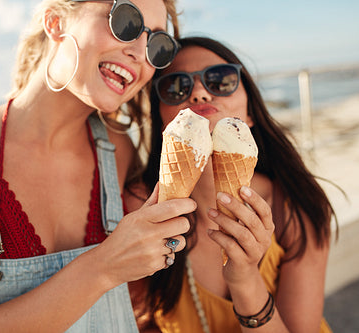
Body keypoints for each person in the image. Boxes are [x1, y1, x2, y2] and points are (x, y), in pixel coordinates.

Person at [0, 1, 197, 332]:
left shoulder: (117, 151)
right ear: (54, 22)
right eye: (125, 23)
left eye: (157, 44)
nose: (140, 53)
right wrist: (103, 268)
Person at [125, 36, 337, 332]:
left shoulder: (294, 205)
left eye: (221, 80)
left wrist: (245, 278)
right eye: (176, 87)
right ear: (162, 121)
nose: (198, 93)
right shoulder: (141, 206)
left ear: (250, 112)